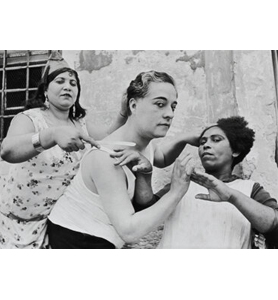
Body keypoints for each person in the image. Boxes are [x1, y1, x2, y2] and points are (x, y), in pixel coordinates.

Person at [47, 70, 196, 249]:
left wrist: (185, 138)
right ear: (133, 105)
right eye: (160, 104)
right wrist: (176, 191)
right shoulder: (107, 157)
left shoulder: (146, 144)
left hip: (104, 239)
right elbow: (130, 232)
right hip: (76, 240)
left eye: (173, 106)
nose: (169, 114)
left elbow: (162, 158)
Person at [0, 52, 128, 249]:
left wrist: (123, 113)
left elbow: (106, 138)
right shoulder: (30, 118)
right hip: (14, 223)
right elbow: (7, 150)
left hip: (52, 224)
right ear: (46, 90)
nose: (68, 86)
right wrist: (52, 135)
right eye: (60, 81)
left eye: (73, 83)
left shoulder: (80, 124)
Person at [157, 116, 278, 249]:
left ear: (236, 151)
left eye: (216, 140)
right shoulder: (183, 183)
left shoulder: (249, 189)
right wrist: (145, 173)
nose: (206, 145)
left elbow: (274, 225)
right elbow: (142, 209)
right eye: (202, 142)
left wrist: (231, 196)